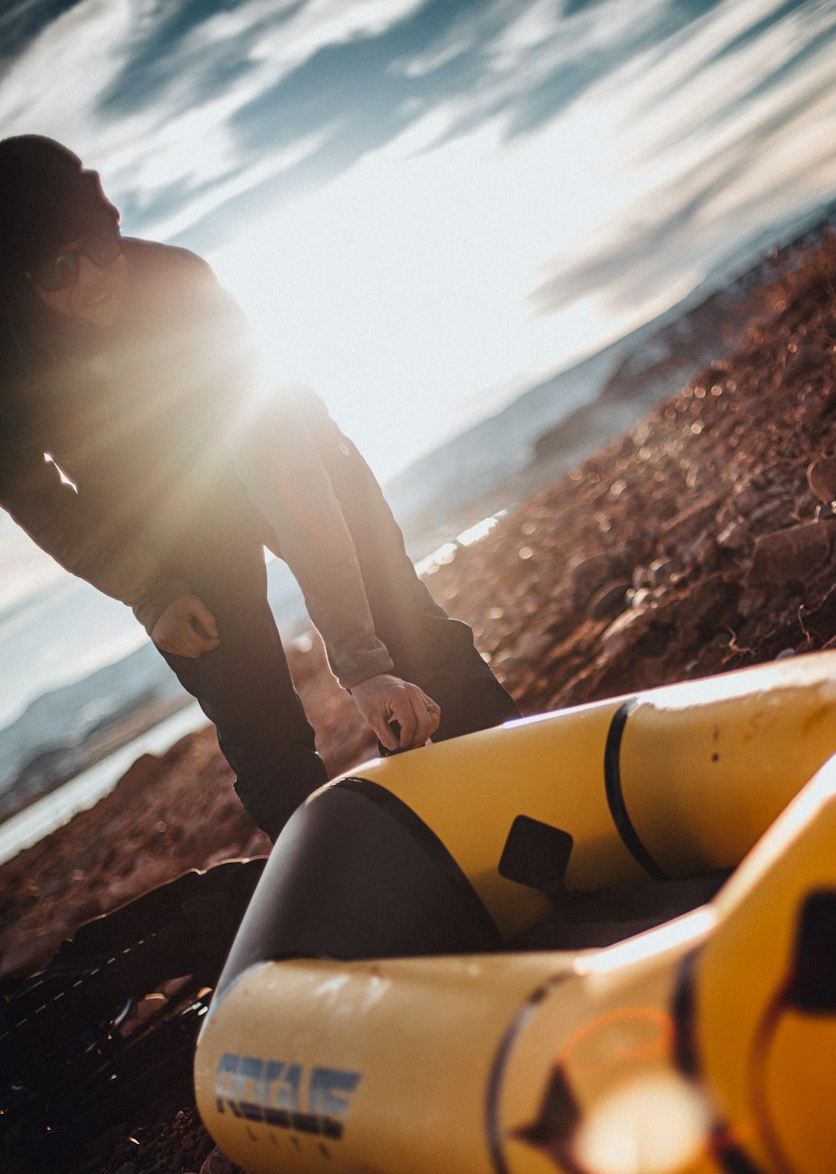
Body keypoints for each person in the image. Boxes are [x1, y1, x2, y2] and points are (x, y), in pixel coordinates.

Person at [0, 136, 518, 840]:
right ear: (19, 277)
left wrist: (362, 665)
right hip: (168, 528)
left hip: (293, 457)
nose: (92, 277)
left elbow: (289, 477)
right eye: (60, 268)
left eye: (99, 245)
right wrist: (149, 591)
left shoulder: (181, 286)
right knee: (264, 739)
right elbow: (30, 492)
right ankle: (361, 895)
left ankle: (525, 801)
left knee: (411, 636)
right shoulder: (9, 365)